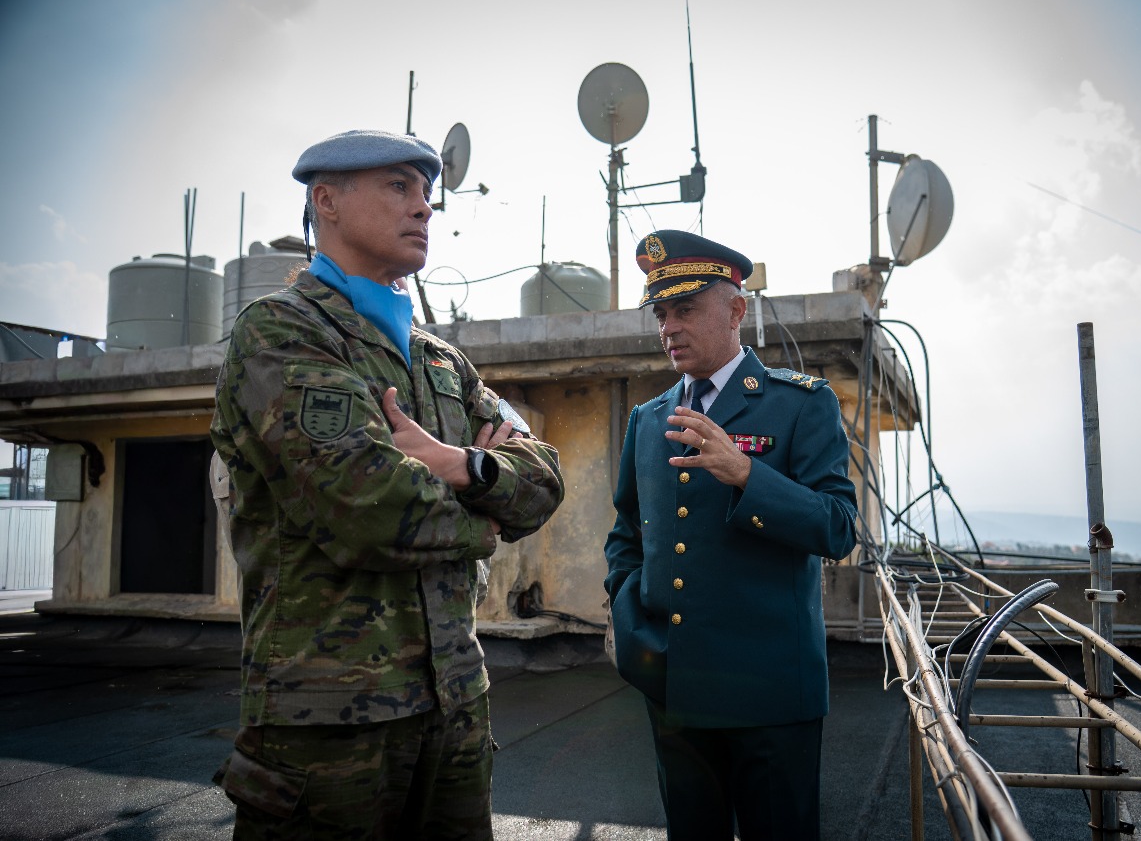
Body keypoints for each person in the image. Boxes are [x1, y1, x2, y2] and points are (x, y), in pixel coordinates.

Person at [211, 129, 565, 840]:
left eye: (426, 192)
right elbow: (367, 505)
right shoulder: (282, 332)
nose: (424, 207)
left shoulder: (442, 361)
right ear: (327, 201)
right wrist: (488, 521)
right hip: (330, 723)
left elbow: (545, 478)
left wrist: (463, 465)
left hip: (456, 704)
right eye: (399, 186)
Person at [603, 229, 858, 841]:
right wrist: (628, 615)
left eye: (685, 310)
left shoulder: (800, 404)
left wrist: (747, 474)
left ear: (736, 310)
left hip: (770, 693)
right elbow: (628, 533)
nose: (669, 327)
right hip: (674, 687)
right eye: (661, 314)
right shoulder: (649, 418)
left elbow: (838, 527)